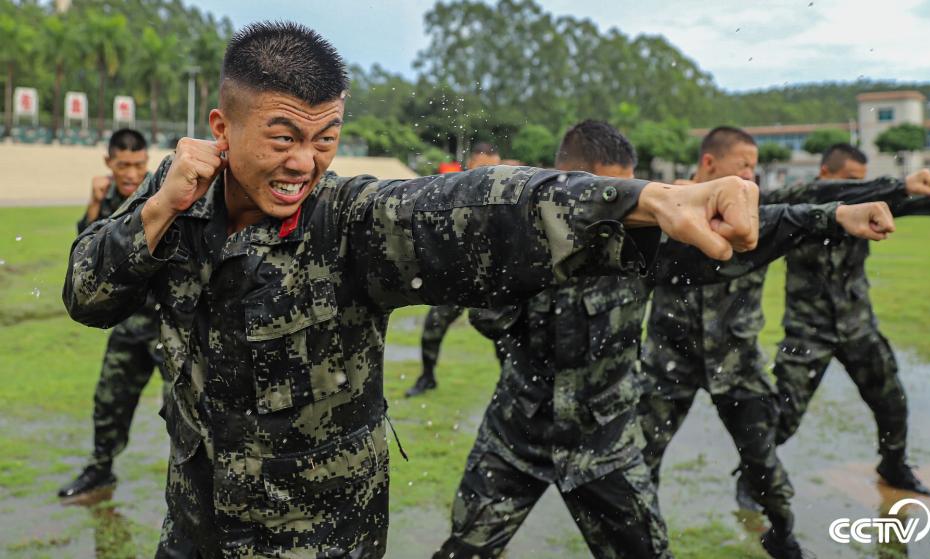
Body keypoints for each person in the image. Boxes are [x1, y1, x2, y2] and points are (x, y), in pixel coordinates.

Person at [64, 22, 763, 558]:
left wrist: (642, 201)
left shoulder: (350, 223)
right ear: (221, 127)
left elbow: (482, 205)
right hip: (195, 530)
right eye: (281, 138)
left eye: (325, 137)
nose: (303, 162)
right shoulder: (176, 200)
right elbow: (87, 295)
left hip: (323, 541)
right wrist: (156, 210)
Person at [435, 120, 897, 559]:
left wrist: (835, 216)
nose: (617, 211)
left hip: (605, 447)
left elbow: (752, 230)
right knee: (464, 550)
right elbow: (489, 323)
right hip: (516, 436)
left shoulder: (641, 240)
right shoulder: (525, 235)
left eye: (627, 196)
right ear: (567, 182)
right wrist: (512, 259)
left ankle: (784, 535)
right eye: (603, 195)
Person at [637, 126, 928, 559]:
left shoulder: (758, 207)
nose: (752, 174)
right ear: (710, 164)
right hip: (668, 365)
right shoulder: (661, 208)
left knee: (766, 470)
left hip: (737, 368)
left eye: (755, 166)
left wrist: (896, 190)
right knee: (640, 465)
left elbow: (812, 199)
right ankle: (643, 546)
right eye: (745, 165)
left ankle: (784, 541)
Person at [772, 143, 930, 496]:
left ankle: (893, 466)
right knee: (782, 419)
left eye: (863, 182)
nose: (862, 189)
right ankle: (754, 476)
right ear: (826, 174)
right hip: (807, 331)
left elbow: (925, 203)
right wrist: (895, 184)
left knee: (891, 402)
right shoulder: (801, 200)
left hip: (857, 325)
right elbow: (833, 194)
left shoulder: (871, 201)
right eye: (851, 180)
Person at [58, 129, 166, 503]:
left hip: (171, 328)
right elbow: (87, 255)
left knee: (186, 409)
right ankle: (100, 468)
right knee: (109, 400)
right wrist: (93, 203)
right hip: (131, 324)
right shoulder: (105, 198)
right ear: (109, 163)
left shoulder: (160, 193)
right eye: (123, 165)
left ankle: (200, 487)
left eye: (138, 164)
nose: (132, 173)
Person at [406, 142, 502, 397]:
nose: (488, 174)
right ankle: (427, 378)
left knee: (503, 335)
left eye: (493, 168)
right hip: (459, 276)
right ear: (471, 163)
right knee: (432, 329)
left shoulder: (504, 194)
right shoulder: (454, 189)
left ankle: (510, 386)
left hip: (491, 278)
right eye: (483, 168)